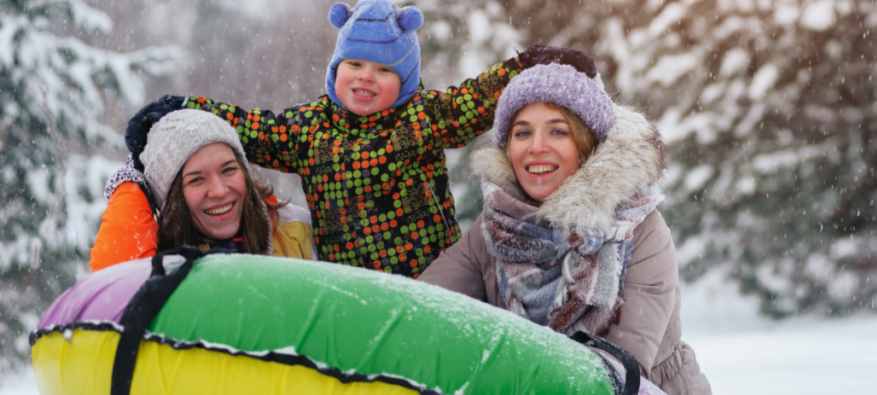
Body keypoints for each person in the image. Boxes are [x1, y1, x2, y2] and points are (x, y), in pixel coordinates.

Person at [418, 61, 835, 395]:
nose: (536, 147)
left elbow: (613, 376)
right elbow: (421, 306)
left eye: (557, 131)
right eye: (522, 132)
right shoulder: (494, 228)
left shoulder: (641, 232)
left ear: (586, 143)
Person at [130, 0, 594, 278]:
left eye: (384, 70)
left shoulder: (422, 117)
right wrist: (183, 108)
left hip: (430, 276)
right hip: (350, 285)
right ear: (336, 70)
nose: (366, 78)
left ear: (407, 79)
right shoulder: (309, 129)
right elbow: (254, 129)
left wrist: (529, 64)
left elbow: (473, 100)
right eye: (354, 65)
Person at [90, 109, 315, 271]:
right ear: (172, 199)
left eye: (228, 170)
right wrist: (130, 190)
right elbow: (118, 297)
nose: (219, 191)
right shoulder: (157, 261)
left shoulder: (296, 234)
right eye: (197, 179)